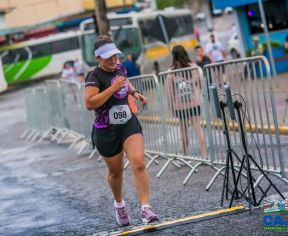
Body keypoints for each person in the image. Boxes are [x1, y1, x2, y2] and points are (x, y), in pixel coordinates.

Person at [84, 36, 158, 226]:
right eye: (108, 57)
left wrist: (134, 93)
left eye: (115, 55)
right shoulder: (94, 77)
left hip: (128, 123)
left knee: (138, 162)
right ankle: (119, 205)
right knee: (116, 173)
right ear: (98, 57)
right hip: (106, 131)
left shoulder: (120, 69)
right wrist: (112, 88)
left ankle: (146, 209)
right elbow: (90, 103)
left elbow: (125, 82)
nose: (113, 60)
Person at [165, 45, 207, 157]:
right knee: (198, 127)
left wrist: (171, 106)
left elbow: (169, 91)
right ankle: (204, 154)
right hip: (194, 102)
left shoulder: (171, 71)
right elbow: (199, 83)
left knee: (183, 130)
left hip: (180, 105)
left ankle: (186, 154)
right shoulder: (193, 67)